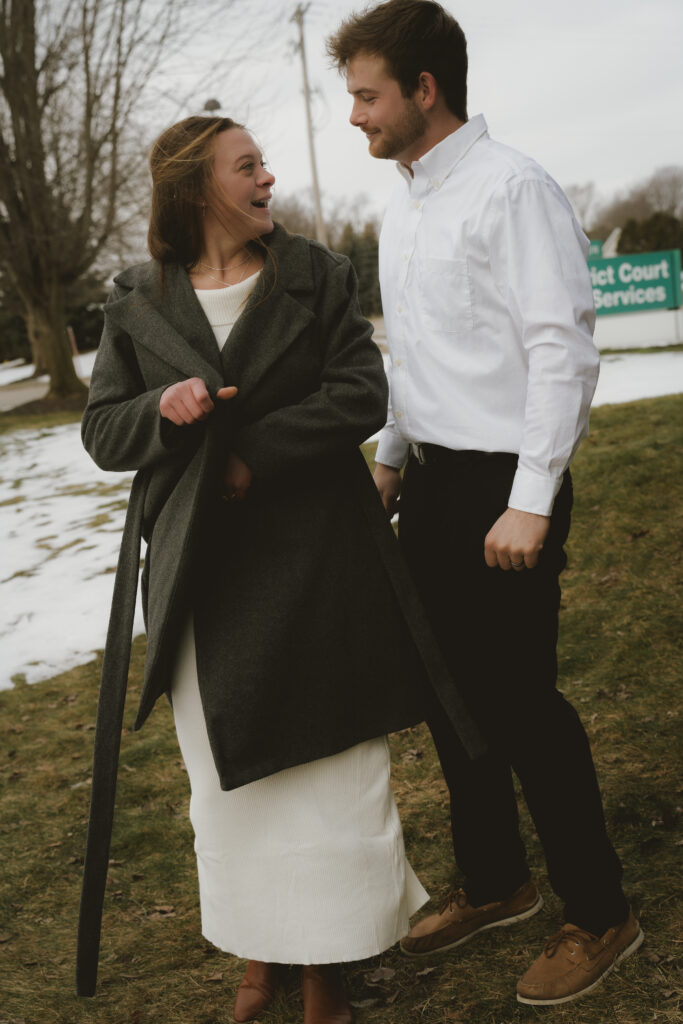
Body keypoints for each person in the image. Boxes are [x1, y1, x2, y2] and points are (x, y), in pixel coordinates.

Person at [75, 115, 481, 1023]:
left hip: (317, 566)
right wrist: (160, 408)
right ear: (196, 188)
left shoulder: (317, 275)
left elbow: (360, 390)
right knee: (227, 794)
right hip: (198, 581)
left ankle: (325, 977)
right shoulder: (137, 297)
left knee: (331, 783)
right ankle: (257, 963)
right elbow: (104, 429)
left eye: (262, 163)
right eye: (247, 166)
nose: (268, 177)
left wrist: (254, 454)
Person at [327, 0, 643, 1007]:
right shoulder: (403, 205)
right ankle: (496, 881)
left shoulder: (514, 191)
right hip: (429, 481)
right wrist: (390, 459)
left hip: (507, 486)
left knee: (520, 705)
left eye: (366, 96)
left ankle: (598, 911)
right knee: (445, 696)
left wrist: (532, 497)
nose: (354, 117)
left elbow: (561, 347)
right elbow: (418, 361)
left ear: (424, 90)